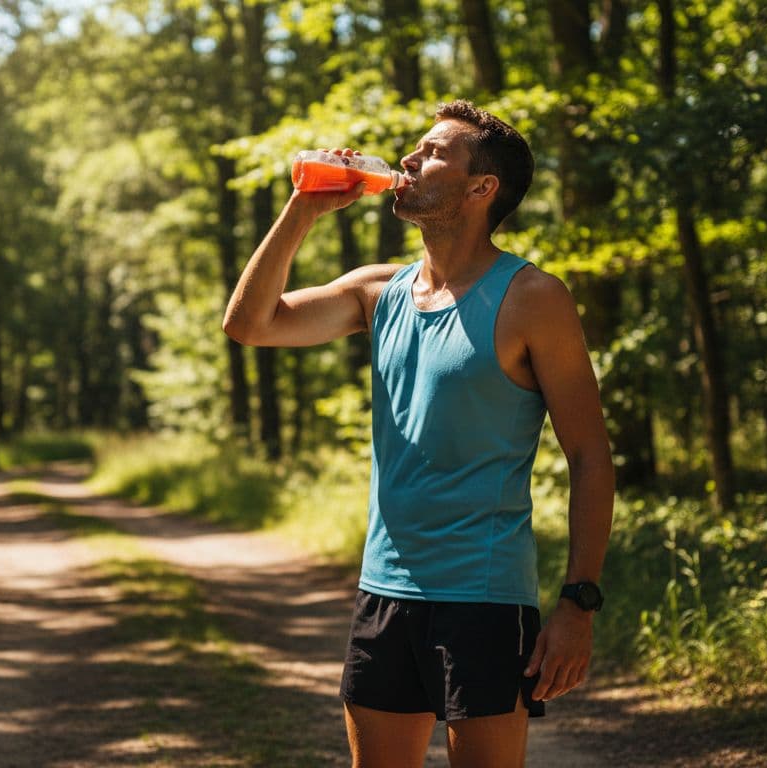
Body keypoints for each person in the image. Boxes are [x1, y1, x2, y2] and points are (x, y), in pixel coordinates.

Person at [222, 99, 615, 768]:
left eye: (433, 153)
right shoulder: (379, 292)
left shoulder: (532, 298)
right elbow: (251, 324)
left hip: (485, 598)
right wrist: (303, 209)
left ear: (481, 188)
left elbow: (589, 456)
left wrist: (578, 605)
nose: (408, 159)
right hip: (385, 594)